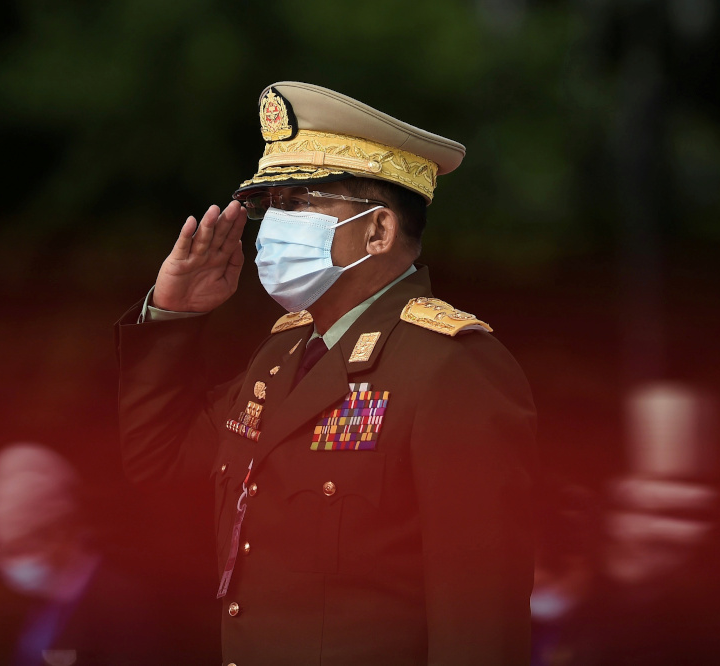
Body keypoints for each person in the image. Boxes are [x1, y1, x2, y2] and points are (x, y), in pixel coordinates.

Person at [117, 81, 538, 664]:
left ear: (378, 231)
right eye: (273, 205)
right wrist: (172, 318)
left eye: (300, 203)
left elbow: (480, 623)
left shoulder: (453, 367)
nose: (273, 225)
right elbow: (160, 463)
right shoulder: (283, 354)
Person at [0, 443, 160, 665]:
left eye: (18, 548)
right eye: (3, 551)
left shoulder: (120, 606)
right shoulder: (43, 604)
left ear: (59, 533)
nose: (11, 564)